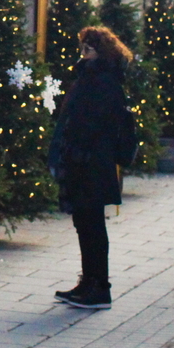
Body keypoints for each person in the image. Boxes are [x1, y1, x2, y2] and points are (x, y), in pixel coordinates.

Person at [48, 26, 136, 311]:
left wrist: (78, 147)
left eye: (88, 50)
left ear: (101, 52)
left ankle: (99, 287)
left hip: (92, 162)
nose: (83, 54)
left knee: (92, 225)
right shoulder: (90, 76)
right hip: (83, 160)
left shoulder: (104, 80)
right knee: (84, 224)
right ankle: (88, 281)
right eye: (82, 49)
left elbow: (95, 121)